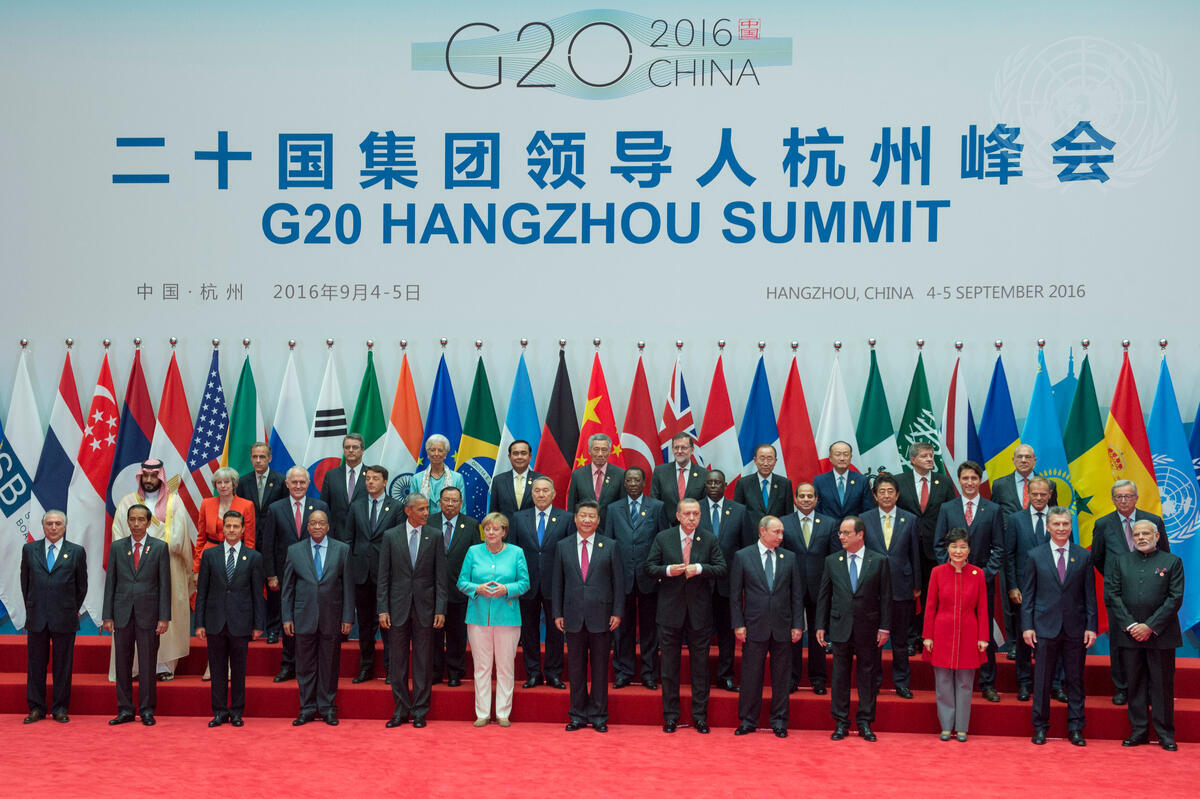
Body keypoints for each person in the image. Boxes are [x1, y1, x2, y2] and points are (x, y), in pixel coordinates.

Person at [645, 497, 727, 734]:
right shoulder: (664, 538)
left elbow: (722, 568)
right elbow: (649, 567)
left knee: (700, 668)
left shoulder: (709, 538)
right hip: (669, 612)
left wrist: (700, 568)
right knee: (669, 668)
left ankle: (700, 717)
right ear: (678, 516)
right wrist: (668, 571)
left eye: (696, 514)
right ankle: (671, 716)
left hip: (699, 614)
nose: (692, 518)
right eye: (688, 514)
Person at [1105, 519, 1184, 751]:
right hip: (1129, 636)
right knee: (1135, 684)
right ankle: (1139, 731)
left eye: (1146, 533)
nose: (1141, 537)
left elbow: (1175, 598)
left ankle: (1165, 734)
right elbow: (1113, 595)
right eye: (1137, 534)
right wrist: (1131, 625)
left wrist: (1149, 626)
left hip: (1161, 635)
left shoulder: (1172, 562)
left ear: (1157, 536)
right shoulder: (1121, 562)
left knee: (1162, 685)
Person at [1022, 507, 1098, 746]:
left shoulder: (1083, 556)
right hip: (1044, 628)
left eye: (1065, 524)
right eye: (1056, 524)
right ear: (1048, 527)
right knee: (1043, 680)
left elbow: (1090, 595)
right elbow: (1029, 595)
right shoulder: (1035, 555)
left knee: (1075, 680)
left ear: (1070, 526)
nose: (1061, 528)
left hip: (1076, 628)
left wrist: (1091, 626)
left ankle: (1076, 728)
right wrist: (1027, 626)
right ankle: (1040, 727)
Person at [1091, 479, 1170, 705]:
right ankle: (1122, 688)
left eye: (1128, 496)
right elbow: (1098, 559)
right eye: (1119, 497)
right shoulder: (1103, 524)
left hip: (1150, 595)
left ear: (1136, 497)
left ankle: (1150, 689)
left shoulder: (1153, 521)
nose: (1123, 500)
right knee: (1119, 642)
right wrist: (1119, 579)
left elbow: (1164, 556)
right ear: (1113, 499)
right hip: (1118, 596)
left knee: (1149, 640)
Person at [112, 459, 192, 680]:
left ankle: (164, 667)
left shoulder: (174, 503)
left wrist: (153, 546)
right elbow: (119, 538)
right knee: (135, 616)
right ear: (140, 477)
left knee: (166, 615)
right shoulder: (128, 502)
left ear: (161, 477)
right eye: (145, 476)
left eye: (153, 476)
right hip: (135, 569)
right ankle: (135, 668)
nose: (149, 480)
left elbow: (177, 540)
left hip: (168, 566)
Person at [933, 460, 1005, 702]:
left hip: (982, 585)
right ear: (959, 481)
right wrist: (952, 571)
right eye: (965, 478)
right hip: (951, 584)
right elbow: (939, 545)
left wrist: (983, 575)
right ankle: (953, 680)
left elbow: (999, 548)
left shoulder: (992, 509)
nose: (970, 483)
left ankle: (987, 683)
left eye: (974, 478)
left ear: (980, 480)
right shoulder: (947, 508)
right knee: (953, 632)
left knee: (983, 633)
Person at [817, 516, 891, 742]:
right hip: (840, 627)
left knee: (867, 676)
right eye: (840, 533)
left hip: (868, 627)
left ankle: (865, 723)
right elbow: (824, 596)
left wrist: (885, 628)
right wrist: (820, 625)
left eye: (846, 533)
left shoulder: (878, 561)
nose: (841, 537)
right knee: (839, 677)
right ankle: (841, 723)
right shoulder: (832, 561)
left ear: (860, 535)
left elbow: (886, 597)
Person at [731, 516, 804, 738]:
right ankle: (748, 720)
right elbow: (735, 595)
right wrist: (738, 624)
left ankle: (779, 721)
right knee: (751, 676)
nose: (781, 536)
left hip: (783, 627)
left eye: (782, 532)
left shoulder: (789, 558)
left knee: (782, 677)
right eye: (777, 532)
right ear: (762, 531)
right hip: (754, 626)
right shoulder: (743, 556)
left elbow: (797, 595)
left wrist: (798, 625)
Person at [378, 493, 447, 728]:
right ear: (408, 511)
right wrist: (382, 609)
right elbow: (383, 578)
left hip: (426, 609)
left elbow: (440, 578)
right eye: (421, 509)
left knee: (422, 662)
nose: (427, 513)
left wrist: (440, 609)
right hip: (396, 609)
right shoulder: (391, 536)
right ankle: (400, 711)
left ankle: (419, 711)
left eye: (427, 508)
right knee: (397, 663)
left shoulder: (435, 536)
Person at [553, 500, 623, 732]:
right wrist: (557, 613)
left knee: (601, 669)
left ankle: (599, 715)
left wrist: (617, 612)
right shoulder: (563, 546)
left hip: (602, 617)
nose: (586, 520)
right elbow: (557, 584)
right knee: (576, 669)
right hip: (572, 616)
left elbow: (618, 584)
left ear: (598, 520)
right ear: (575, 518)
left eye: (591, 516)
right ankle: (577, 715)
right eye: (583, 515)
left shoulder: (610, 546)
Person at [457, 512, 530, 727]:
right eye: (487, 528)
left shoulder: (517, 553)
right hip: (478, 617)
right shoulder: (473, 552)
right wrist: (475, 588)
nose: (491, 532)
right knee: (482, 666)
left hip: (508, 617)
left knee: (506, 666)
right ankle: (482, 713)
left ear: (504, 532)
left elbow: (525, 583)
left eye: (496, 529)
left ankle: (502, 713)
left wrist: (507, 589)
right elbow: (461, 581)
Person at [194, 510, 266, 727]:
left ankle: (236, 712)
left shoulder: (254, 557)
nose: (232, 530)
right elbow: (202, 592)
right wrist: (199, 623)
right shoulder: (209, 555)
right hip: (215, 622)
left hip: (241, 623)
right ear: (222, 529)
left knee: (238, 671)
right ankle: (219, 712)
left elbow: (257, 594)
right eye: (228, 526)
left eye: (236, 526)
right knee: (217, 671)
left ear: (243, 530)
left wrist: (258, 625)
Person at [282, 510, 354, 726]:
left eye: (321, 523)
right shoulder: (294, 551)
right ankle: (307, 709)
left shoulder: (342, 550)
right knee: (305, 666)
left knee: (329, 665)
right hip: (303, 617)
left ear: (328, 526)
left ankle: (328, 708)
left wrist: (348, 617)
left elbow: (348, 587)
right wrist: (287, 617)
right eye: (313, 523)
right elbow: (287, 589)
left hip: (332, 617)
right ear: (307, 526)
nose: (317, 527)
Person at [103, 503, 171, 726]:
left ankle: (147, 710)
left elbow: (164, 585)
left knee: (148, 664)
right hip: (122, 614)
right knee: (122, 664)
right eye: (132, 519)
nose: (136, 524)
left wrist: (164, 617)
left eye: (141, 519)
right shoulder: (117, 547)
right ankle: (125, 710)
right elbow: (110, 583)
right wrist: (107, 615)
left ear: (149, 522)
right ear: (127, 521)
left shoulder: (159, 547)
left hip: (149, 615)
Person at [260, 466, 330, 682]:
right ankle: (288, 665)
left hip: (315, 577)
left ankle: (310, 667)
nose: (298, 486)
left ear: (308, 484)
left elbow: (329, 542)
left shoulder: (320, 507)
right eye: (294, 482)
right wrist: (271, 574)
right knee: (288, 622)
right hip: (285, 576)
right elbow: (268, 544)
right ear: (287, 484)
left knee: (311, 623)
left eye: (302, 482)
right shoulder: (275, 508)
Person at [989, 444, 1058, 660]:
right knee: (1013, 601)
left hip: (1043, 548)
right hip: (1012, 548)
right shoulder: (1000, 484)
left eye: (1028, 457)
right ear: (1013, 460)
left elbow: (1054, 515)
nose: (1024, 460)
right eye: (1020, 457)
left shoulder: (1048, 485)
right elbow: (995, 515)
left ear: (1035, 460)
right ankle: (1013, 644)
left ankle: (1041, 642)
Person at [923, 528, 989, 741]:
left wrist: (983, 637)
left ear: (969, 549)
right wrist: (928, 636)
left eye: (963, 546)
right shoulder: (937, 572)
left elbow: (982, 609)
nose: (958, 551)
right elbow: (930, 606)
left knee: (964, 683)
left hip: (969, 632)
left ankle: (961, 727)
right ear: (948, 549)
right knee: (942, 681)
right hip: (941, 631)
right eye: (954, 546)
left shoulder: (978, 574)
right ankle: (945, 726)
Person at [20, 510, 87, 724]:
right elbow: (25, 583)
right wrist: (33, 606)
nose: (54, 527)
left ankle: (60, 708)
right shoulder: (29, 550)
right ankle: (36, 708)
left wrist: (68, 607)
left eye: (58, 523)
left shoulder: (76, 551)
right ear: (43, 526)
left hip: (64, 616)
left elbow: (81, 587)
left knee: (63, 666)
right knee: (35, 666)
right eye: (49, 523)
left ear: (65, 526)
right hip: (37, 616)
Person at [604, 465, 668, 689]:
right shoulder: (613, 509)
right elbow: (609, 545)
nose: (632, 484)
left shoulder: (657, 507)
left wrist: (660, 571)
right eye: (629, 480)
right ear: (624, 483)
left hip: (650, 578)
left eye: (636, 480)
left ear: (644, 484)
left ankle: (649, 674)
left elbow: (664, 542)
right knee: (623, 629)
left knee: (650, 629)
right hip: (621, 579)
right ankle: (624, 672)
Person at [862, 473, 921, 698]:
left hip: (902, 587)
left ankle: (901, 682)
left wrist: (916, 584)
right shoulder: (864, 519)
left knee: (900, 640)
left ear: (897, 495)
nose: (886, 496)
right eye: (882, 492)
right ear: (875, 496)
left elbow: (914, 554)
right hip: (872, 589)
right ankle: (873, 681)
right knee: (872, 640)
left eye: (890, 492)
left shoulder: (910, 519)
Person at [895, 442, 957, 655]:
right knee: (909, 595)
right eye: (924, 456)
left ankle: (933, 636)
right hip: (906, 549)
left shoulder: (945, 483)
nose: (930, 459)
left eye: (931, 456)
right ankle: (912, 638)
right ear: (912, 459)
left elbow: (952, 514)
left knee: (935, 595)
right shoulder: (898, 481)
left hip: (936, 549)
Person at [512, 476, 573, 689]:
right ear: (532, 493)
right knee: (529, 631)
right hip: (526, 584)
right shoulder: (519, 518)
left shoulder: (566, 518)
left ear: (554, 494)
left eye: (545, 490)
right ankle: (533, 673)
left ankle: (554, 673)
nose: (540, 494)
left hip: (556, 585)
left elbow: (570, 555)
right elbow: (513, 552)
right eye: (537, 490)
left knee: (556, 631)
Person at [345, 464, 404, 683]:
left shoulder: (397, 507)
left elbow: (400, 542)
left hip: (387, 575)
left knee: (389, 625)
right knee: (366, 624)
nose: (370, 482)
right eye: (368, 478)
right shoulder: (356, 505)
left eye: (375, 478)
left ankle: (391, 669)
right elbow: (349, 539)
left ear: (385, 481)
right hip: (361, 574)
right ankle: (366, 667)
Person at [780, 482, 840, 694]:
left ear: (816, 499)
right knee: (793, 635)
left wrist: (832, 586)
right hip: (791, 588)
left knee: (819, 636)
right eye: (802, 496)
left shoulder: (830, 524)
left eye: (810, 496)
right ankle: (792, 678)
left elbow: (834, 558)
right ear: (795, 499)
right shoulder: (783, 523)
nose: (806, 499)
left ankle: (818, 679)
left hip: (820, 588)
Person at [700, 469, 754, 692]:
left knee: (726, 634)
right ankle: (700, 677)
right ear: (706, 485)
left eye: (718, 483)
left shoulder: (739, 511)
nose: (713, 486)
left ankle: (725, 676)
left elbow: (746, 548)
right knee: (700, 634)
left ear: (724, 486)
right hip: (700, 582)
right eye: (710, 482)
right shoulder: (694, 509)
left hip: (728, 584)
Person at [1005, 476, 1056, 701]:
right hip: (1023, 590)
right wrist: (1013, 586)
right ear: (1028, 493)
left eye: (1042, 494)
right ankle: (1024, 683)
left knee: (1053, 640)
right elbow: (1009, 556)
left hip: (1053, 591)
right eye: (1034, 494)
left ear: (1050, 495)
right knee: (1023, 640)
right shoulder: (1016, 520)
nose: (1038, 498)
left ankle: (1054, 684)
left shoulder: (1059, 520)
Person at [236, 442, 286, 642]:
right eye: (255, 457)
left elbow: (283, 512)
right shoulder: (242, 482)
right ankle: (250, 627)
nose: (258, 460)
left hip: (273, 543)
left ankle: (274, 629)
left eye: (262, 457)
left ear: (270, 458)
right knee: (248, 586)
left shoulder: (281, 481)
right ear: (251, 458)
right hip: (248, 541)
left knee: (274, 587)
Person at [428, 485, 476, 687]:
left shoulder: (471, 524)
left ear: (461, 502)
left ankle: (455, 672)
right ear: (439, 502)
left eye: (454, 500)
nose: (450, 504)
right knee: (433, 634)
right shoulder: (428, 521)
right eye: (446, 500)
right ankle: (435, 671)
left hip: (459, 590)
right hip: (431, 590)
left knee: (457, 634)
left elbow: (475, 558)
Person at [194, 466, 256, 576]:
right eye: (219, 482)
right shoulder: (206, 504)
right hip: (209, 555)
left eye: (227, 482)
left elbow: (249, 541)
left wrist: (246, 564)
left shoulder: (247, 505)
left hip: (235, 554)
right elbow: (201, 538)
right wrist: (197, 567)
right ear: (215, 485)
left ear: (234, 484)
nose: (223, 486)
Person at [566, 433, 625, 528]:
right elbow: (572, 506)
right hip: (584, 529)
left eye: (604, 450)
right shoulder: (578, 474)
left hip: (610, 529)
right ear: (589, 451)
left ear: (609, 452)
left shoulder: (620, 474)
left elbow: (623, 506)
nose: (600, 454)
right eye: (596, 449)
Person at [319, 433, 368, 542]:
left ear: (362, 450)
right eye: (347, 447)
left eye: (355, 447)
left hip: (364, 538)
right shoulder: (331, 475)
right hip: (336, 537)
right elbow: (324, 506)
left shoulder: (371, 476)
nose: (351, 450)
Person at [649, 433, 708, 520]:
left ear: (692, 450)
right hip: (666, 528)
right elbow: (654, 503)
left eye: (684, 448)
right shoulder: (660, 472)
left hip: (693, 527)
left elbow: (705, 505)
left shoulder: (704, 474)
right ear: (672, 450)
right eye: (676, 448)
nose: (679, 451)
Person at [813, 441, 875, 519]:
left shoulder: (862, 480)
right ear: (830, 458)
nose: (842, 458)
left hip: (854, 529)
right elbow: (816, 509)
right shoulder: (819, 481)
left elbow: (867, 510)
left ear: (851, 457)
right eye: (838, 454)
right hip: (827, 529)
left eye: (846, 455)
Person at [489, 439, 543, 527]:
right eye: (515, 453)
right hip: (506, 533)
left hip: (533, 533)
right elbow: (494, 513)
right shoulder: (498, 481)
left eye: (523, 453)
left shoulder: (541, 480)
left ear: (530, 457)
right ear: (509, 457)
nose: (519, 457)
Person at [733, 443, 793, 518]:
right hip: (750, 529)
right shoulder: (743, 483)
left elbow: (789, 516)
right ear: (755, 460)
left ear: (775, 461)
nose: (766, 463)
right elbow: (737, 513)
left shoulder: (785, 484)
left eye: (769, 459)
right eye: (762, 459)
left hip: (777, 529)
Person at [413, 434, 464, 514]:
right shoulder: (416, 478)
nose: (436, 454)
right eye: (432, 450)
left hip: (448, 524)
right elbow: (412, 507)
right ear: (427, 453)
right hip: (423, 523)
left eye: (440, 450)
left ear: (446, 453)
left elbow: (461, 507)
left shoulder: (457, 478)